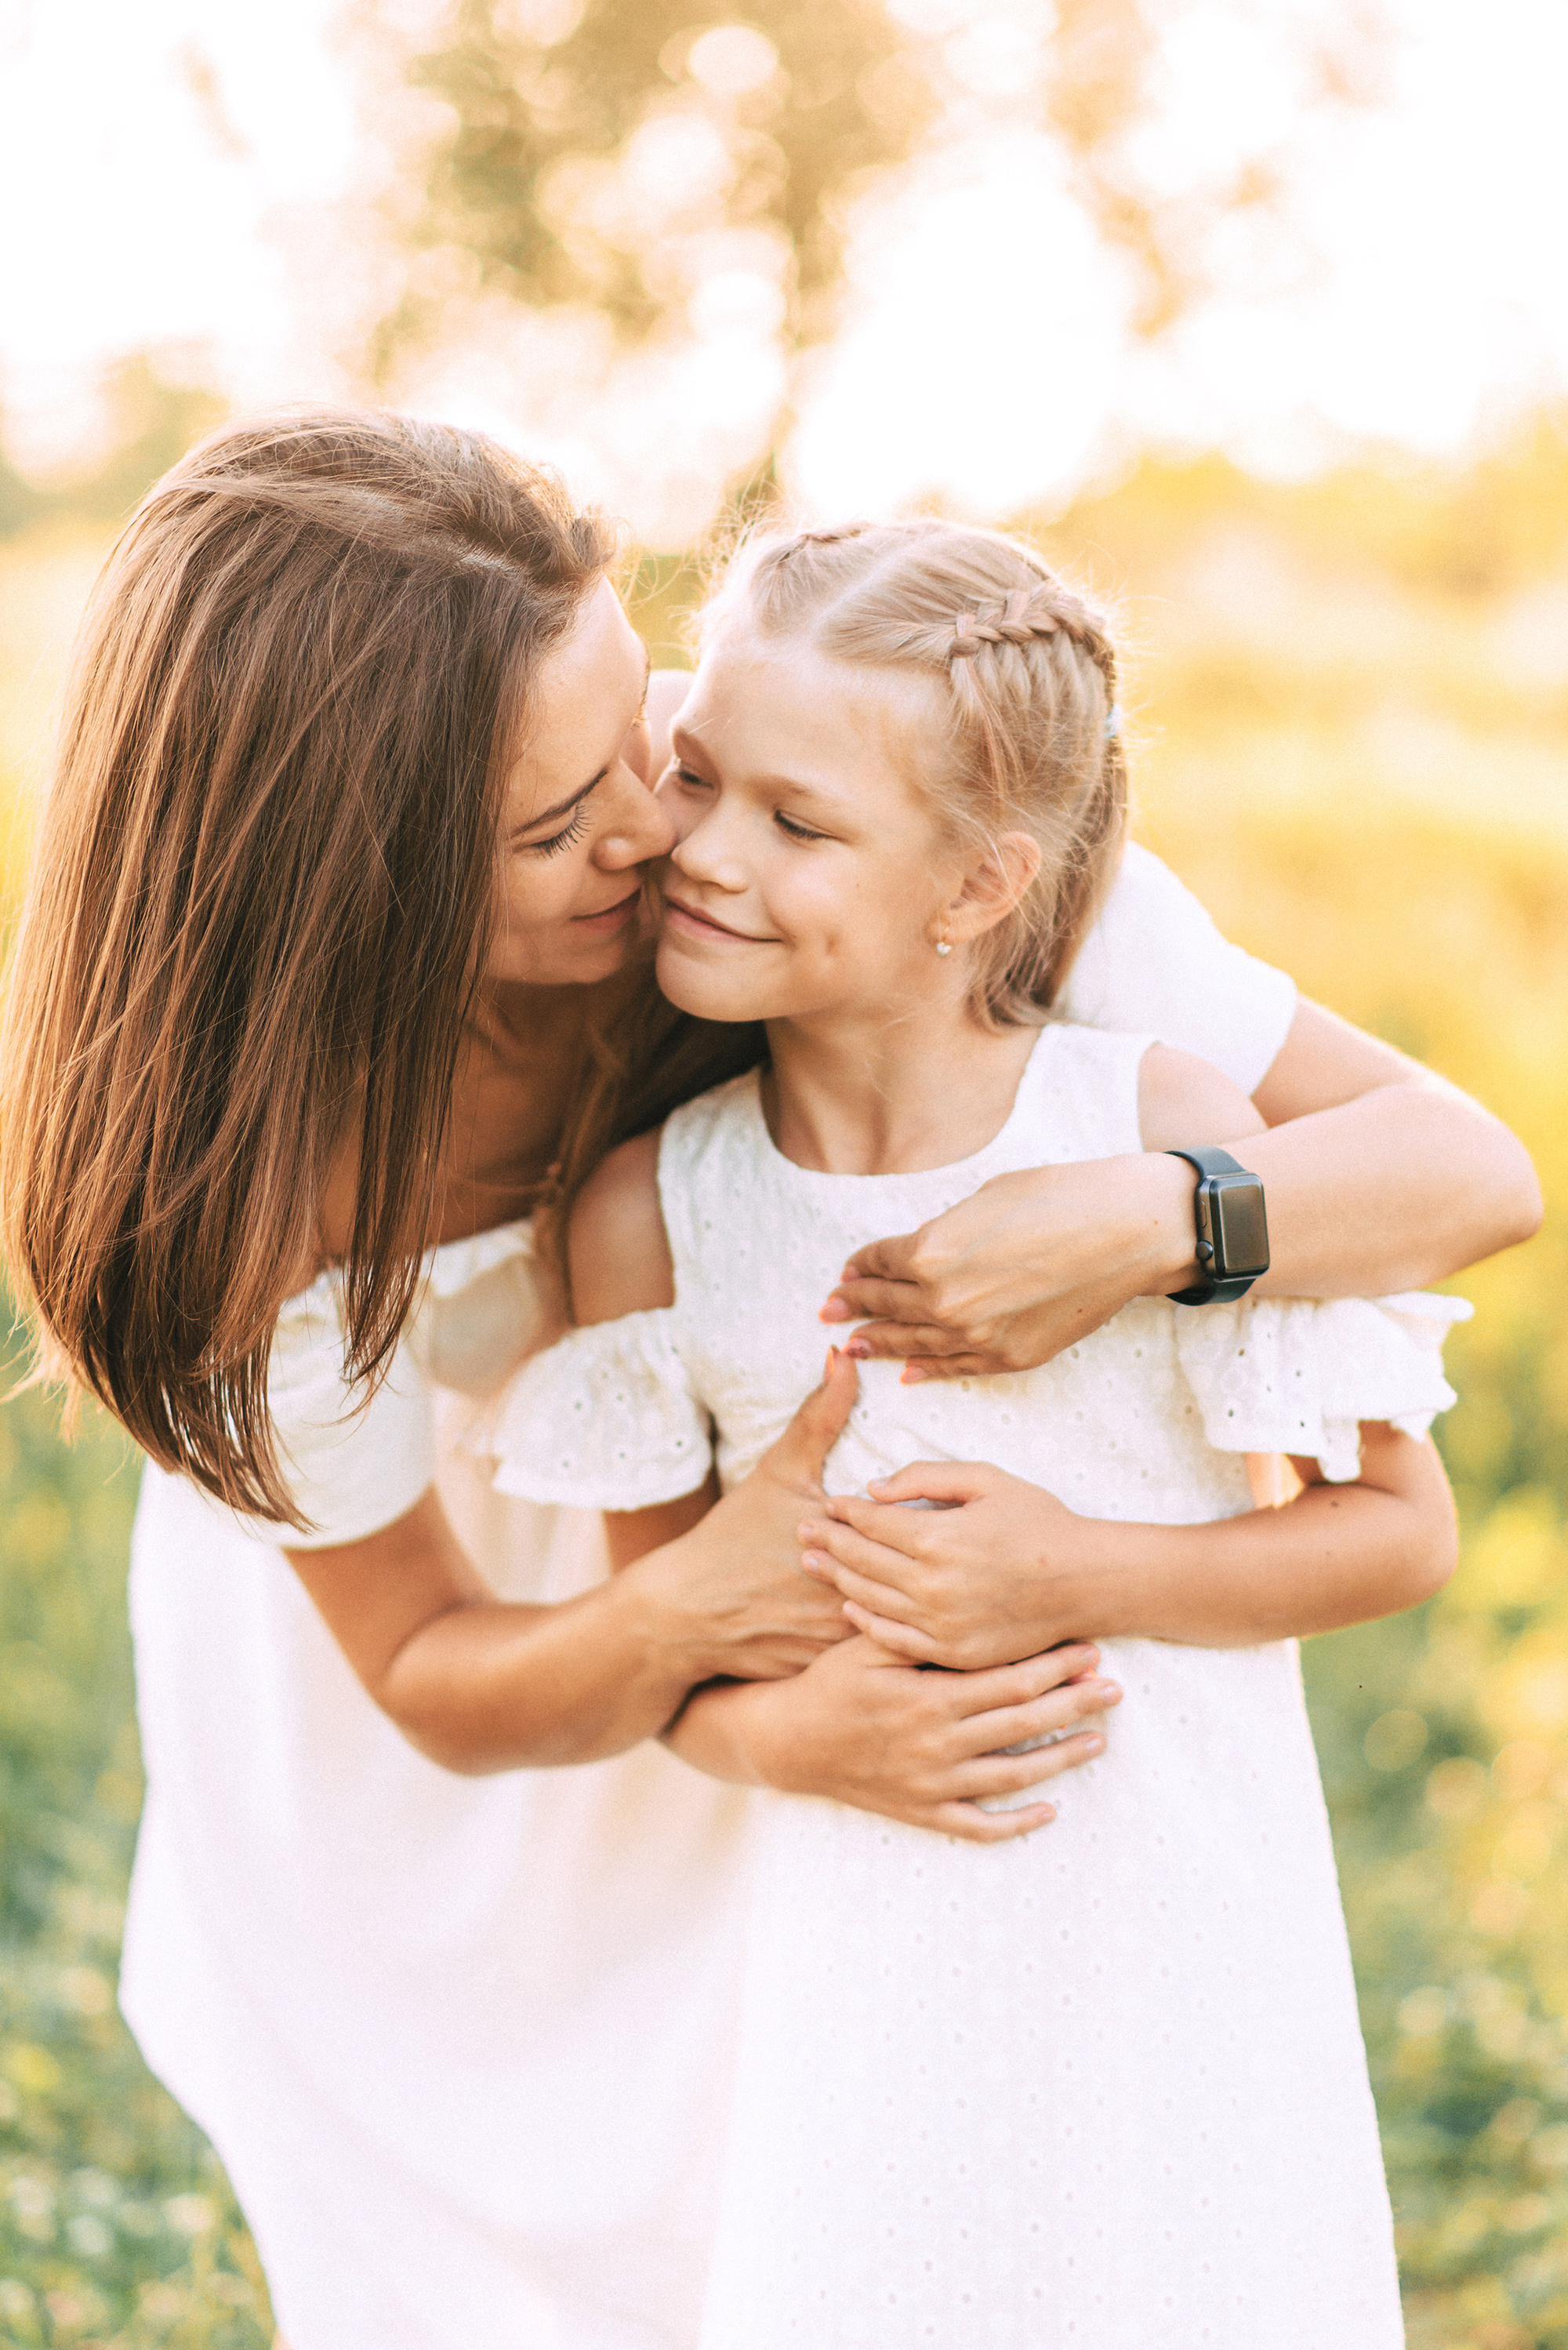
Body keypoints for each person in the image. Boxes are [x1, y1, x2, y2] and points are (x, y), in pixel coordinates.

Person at [0, 413, 1538, 2350]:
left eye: (632, 738)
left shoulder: (842, 809)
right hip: (480, 1705)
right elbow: (428, 1677)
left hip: (816, 1621)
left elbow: (1464, 1173)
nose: (654, 834)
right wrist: (694, 1615)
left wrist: (1154, 1220)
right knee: (498, 2254)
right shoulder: (244, 1203)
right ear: (352, 893)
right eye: (560, 827)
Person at [490, 518, 1475, 2346]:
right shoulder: (651, 1211)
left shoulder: (1150, 1122)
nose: (701, 849)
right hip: (858, 1953)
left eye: (799, 822)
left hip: (1182, 1923)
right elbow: (671, 1650)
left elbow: (1399, 1530)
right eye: (699, 778)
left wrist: (1077, 1568)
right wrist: (802, 1731)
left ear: (974, 890)